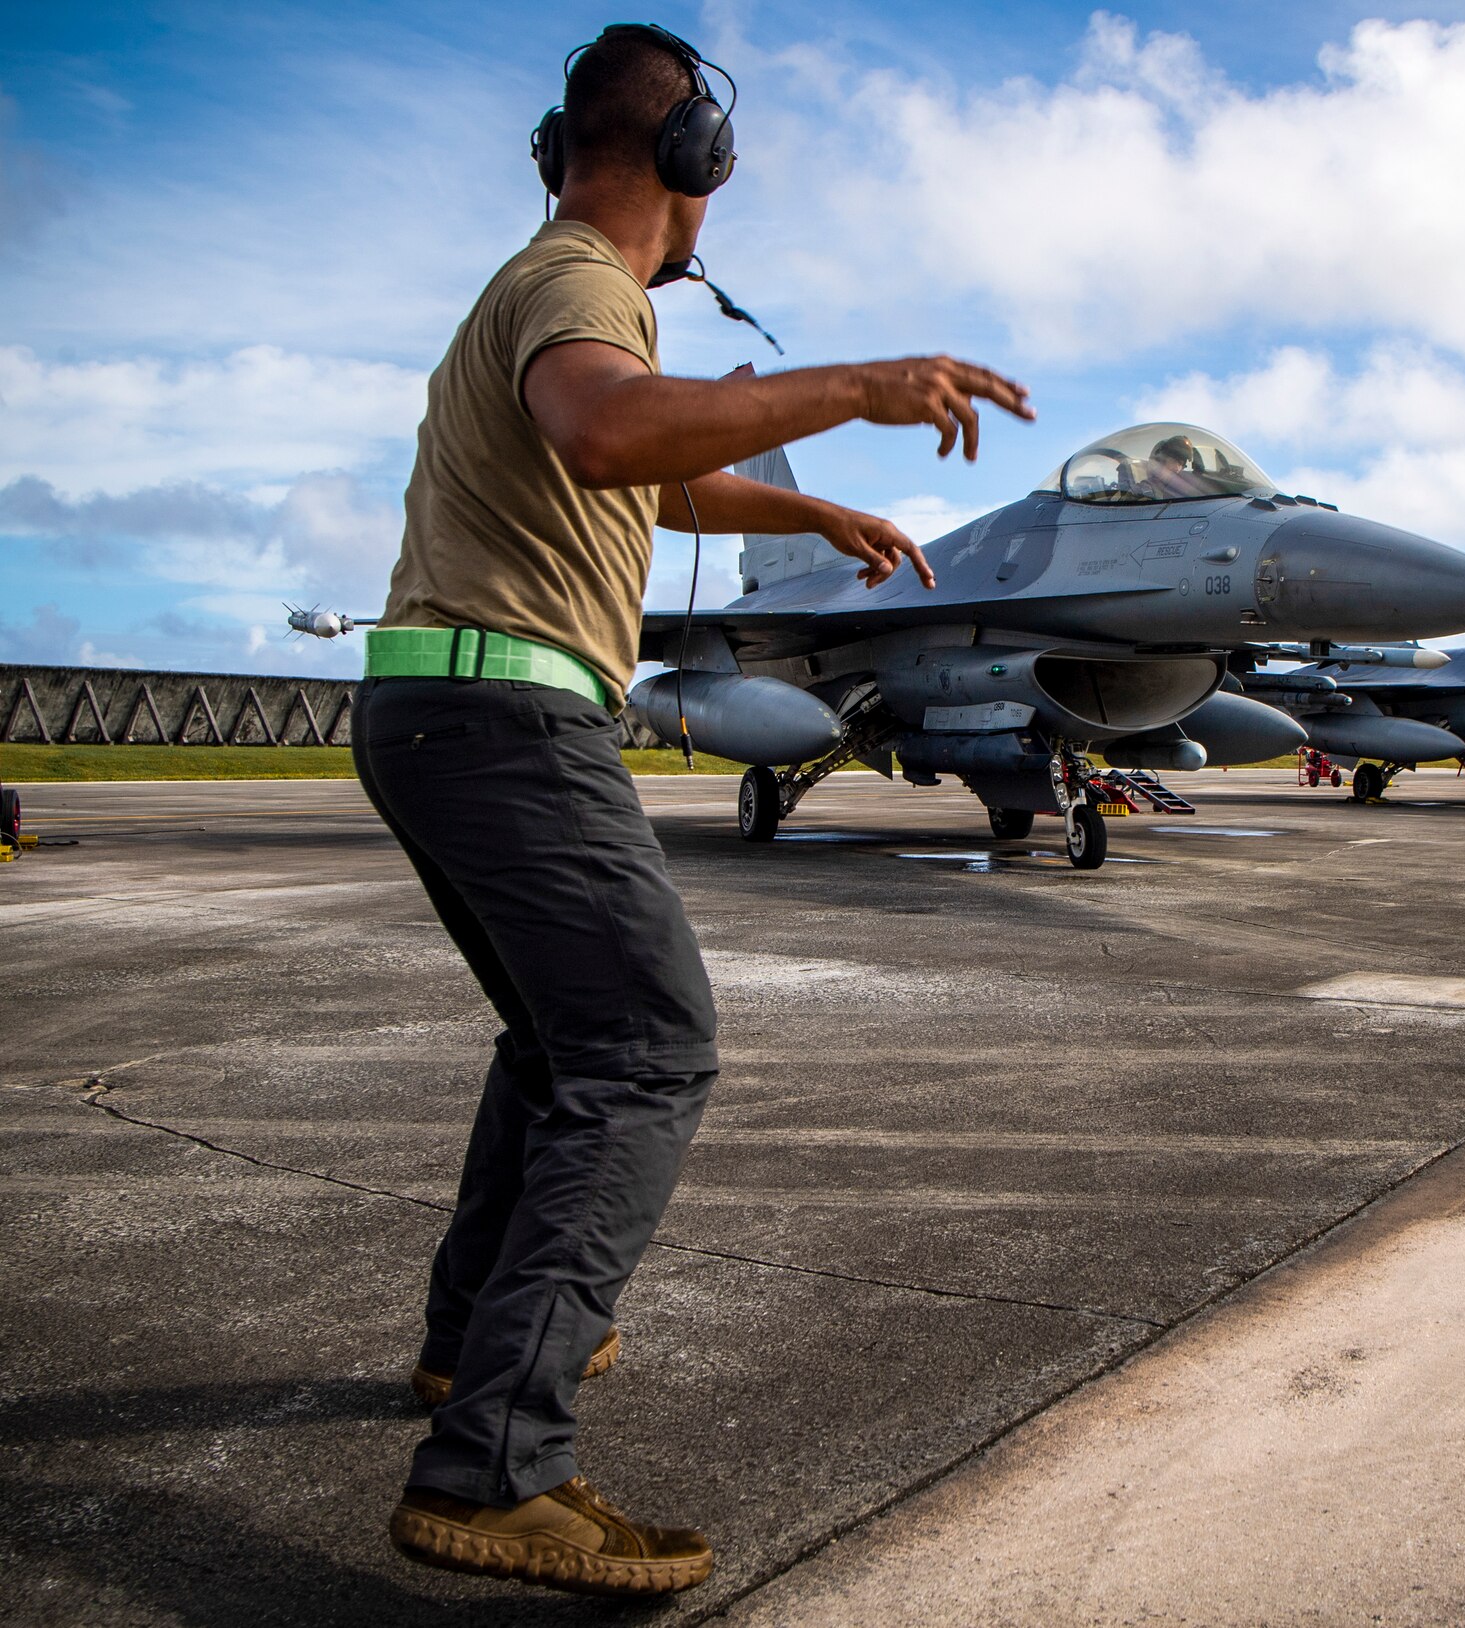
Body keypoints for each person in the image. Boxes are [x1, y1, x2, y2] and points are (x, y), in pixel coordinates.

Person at [356, 23, 1032, 1599]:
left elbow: (646, 472)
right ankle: (496, 1467)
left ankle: (473, 1356)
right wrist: (861, 385)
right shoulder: (586, 284)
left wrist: (810, 503)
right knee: (650, 1050)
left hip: (438, 706)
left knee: (559, 1044)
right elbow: (610, 426)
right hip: (512, 709)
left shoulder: (551, 291)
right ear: (696, 167)